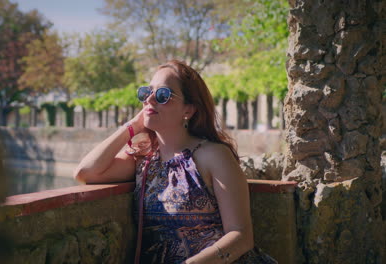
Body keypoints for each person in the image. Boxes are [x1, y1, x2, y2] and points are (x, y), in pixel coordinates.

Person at [74, 60, 276, 264]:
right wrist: (133, 126)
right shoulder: (144, 160)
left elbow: (241, 236)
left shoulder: (214, 155)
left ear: (188, 110)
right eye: (146, 93)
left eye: (163, 95)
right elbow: (86, 172)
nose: (150, 100)